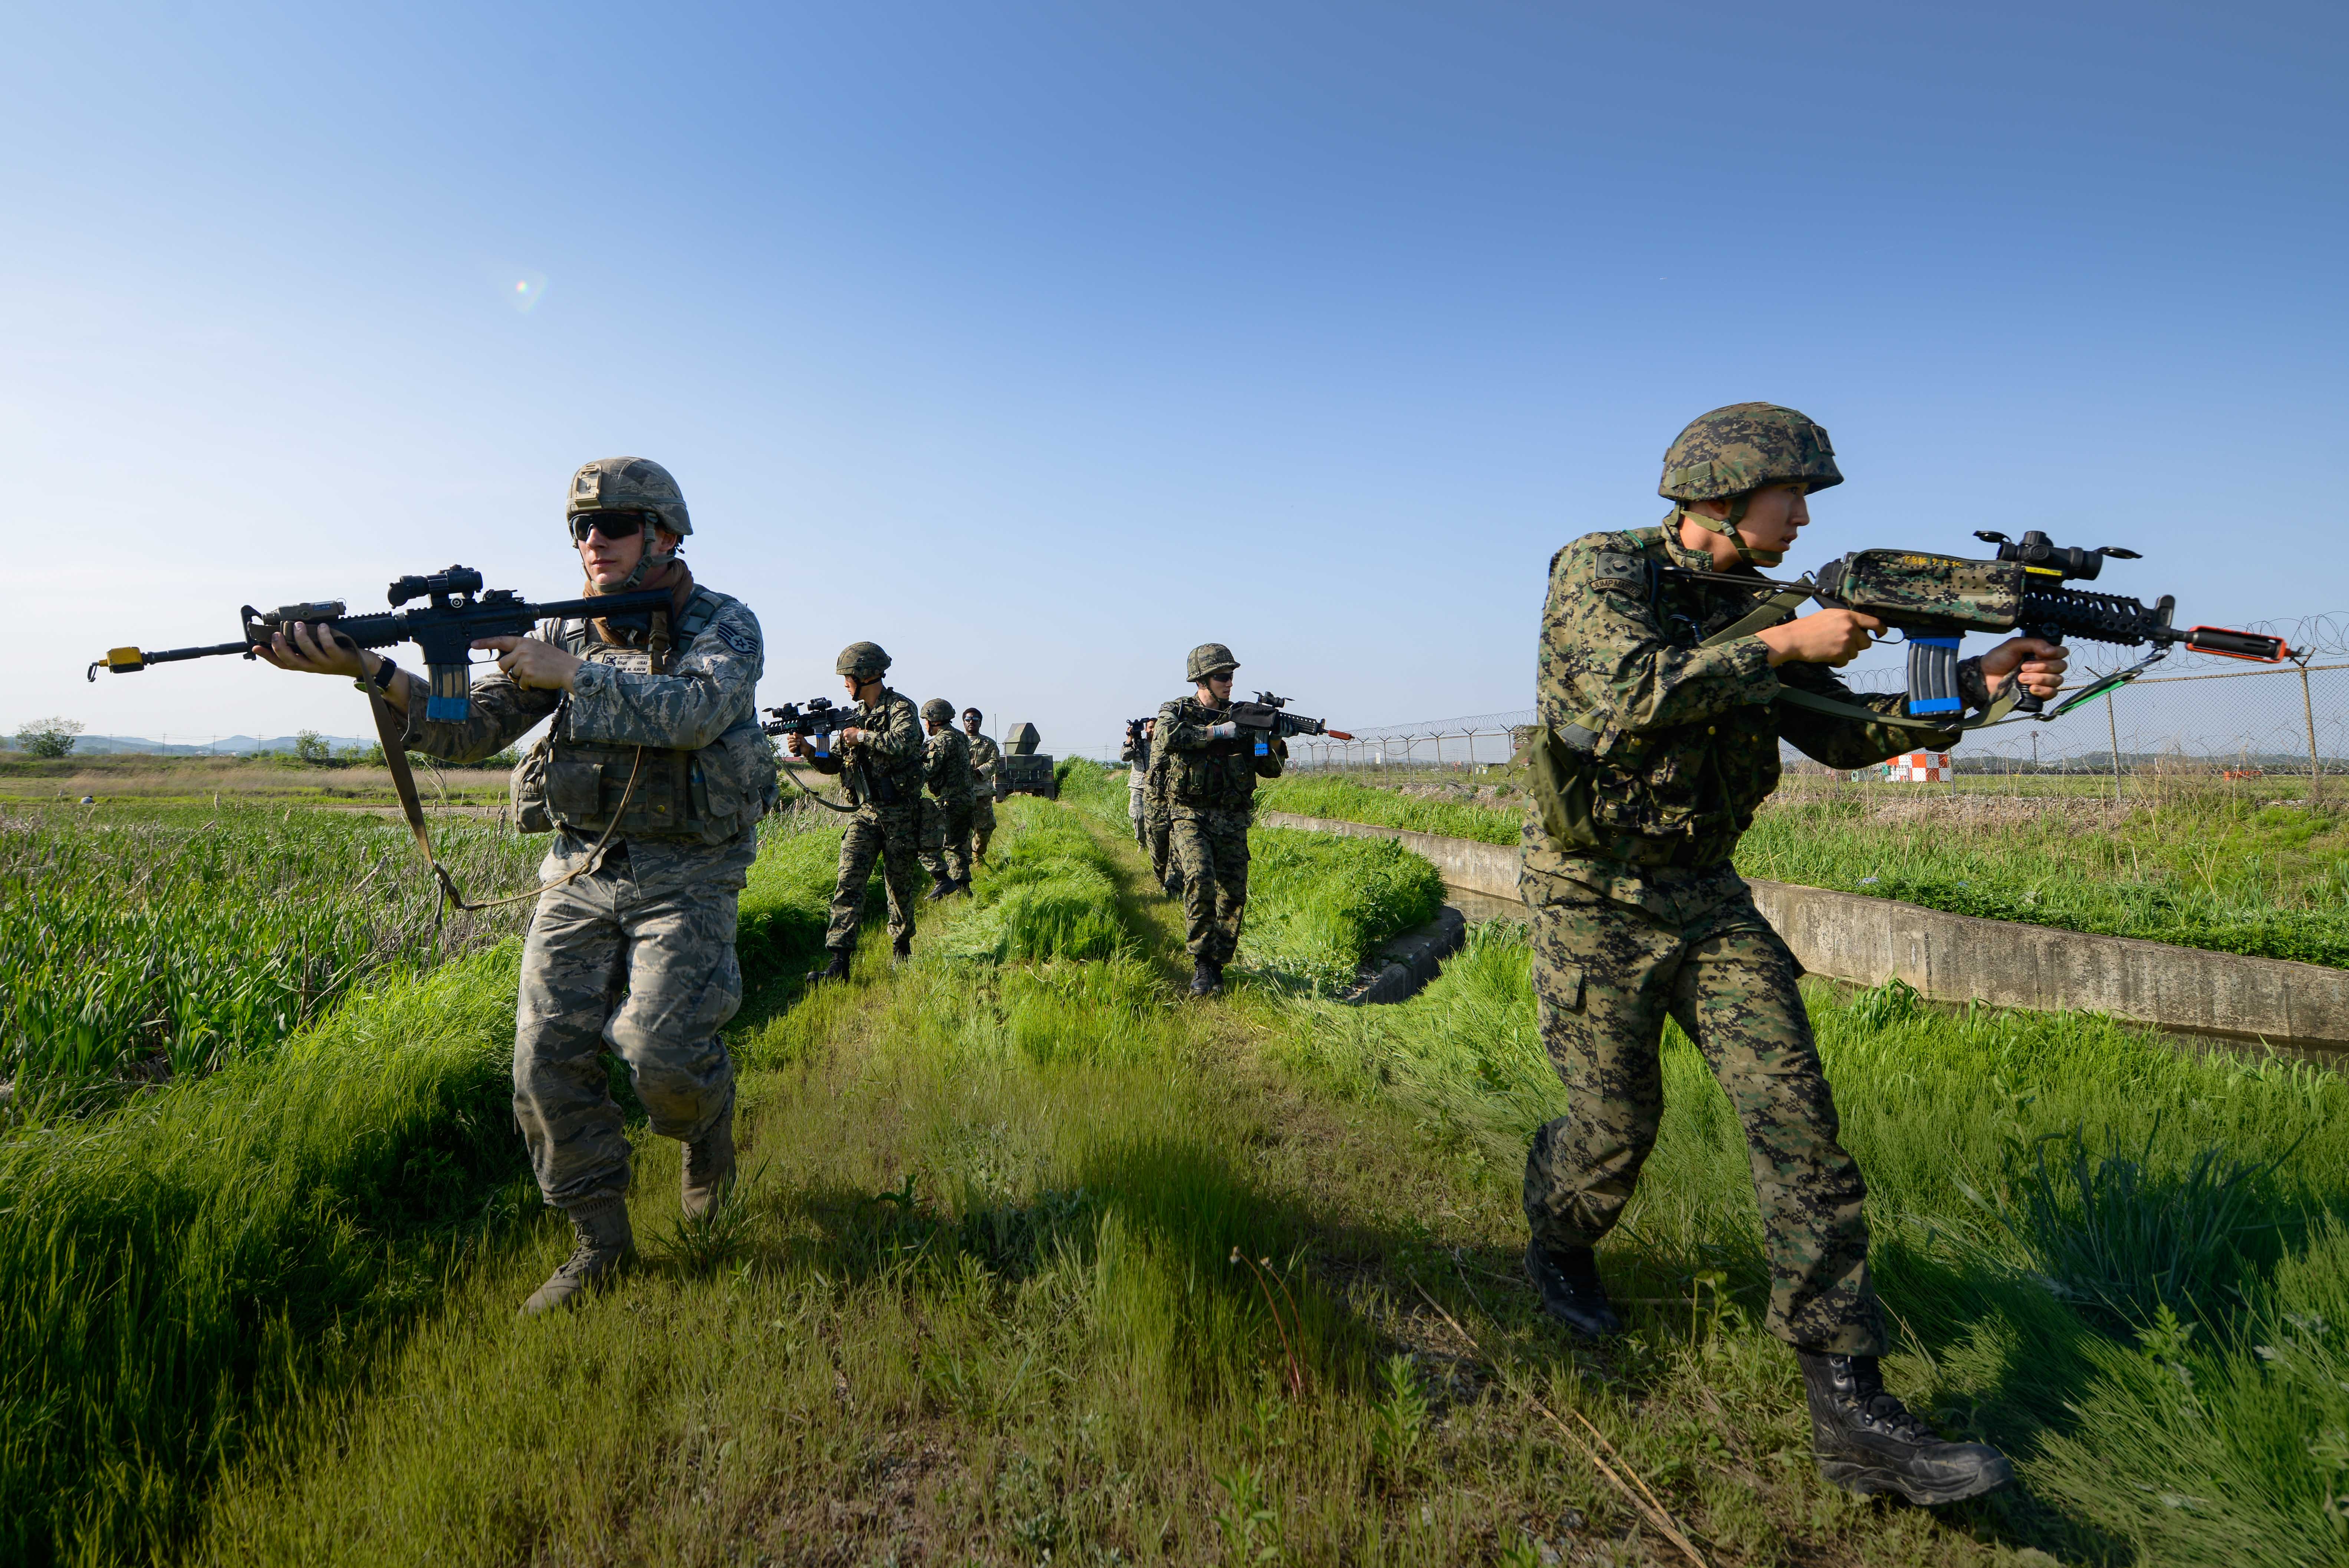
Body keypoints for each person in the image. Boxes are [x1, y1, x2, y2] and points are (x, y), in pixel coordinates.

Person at [1521, 402, 2069, 1505]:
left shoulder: (1772, 605)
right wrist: (1780, 642)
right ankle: (1556, 1234)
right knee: (1615, 1127)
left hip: (1706, 893)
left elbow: (1841, 732)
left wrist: (1976, 686)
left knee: (1797, 1124)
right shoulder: (1601, 568)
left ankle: (1850, 1409)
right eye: (1793, 493)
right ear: (1721, 493)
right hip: (1592, 892)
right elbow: (1623, 691)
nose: (1806, 514)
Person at [258, 456, 777, 1315]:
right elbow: (465, 731)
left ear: (664, 532)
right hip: (579, 870)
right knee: (544, 1058)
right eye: (580, 527)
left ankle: (704, 1128)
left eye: (612, 524)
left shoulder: (721, 624)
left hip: (689, 869)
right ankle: (598, 1241)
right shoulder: (560, 630)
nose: (591, 540)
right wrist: (380, 671)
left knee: (659, 1050)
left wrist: (566, 671)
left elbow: (693, 711)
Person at [1154, 643, 1284, 997]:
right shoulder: (1177, 710)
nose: (1229, 683)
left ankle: (1217, 963)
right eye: (1222, 676)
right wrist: (1216, 732)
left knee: (1233, 893)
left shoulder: (1245, 716)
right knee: (1199, 877)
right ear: (1201, 680)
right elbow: (1167, 736)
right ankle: (1200, 962)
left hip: (1232, 817)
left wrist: (1268, 737)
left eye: (1231, 676)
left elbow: (1268, 768)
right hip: (1189, 814)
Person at [790, 643, 925, 982]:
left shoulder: (900, 708)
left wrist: (862, 736)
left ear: (866, 675)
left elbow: (906, 742)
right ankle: (839, 965)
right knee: (848, 883)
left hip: (899, 813)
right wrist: (809, 749)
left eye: (848, 677)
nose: (845, 684)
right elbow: (832, 762)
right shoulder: (852, 717)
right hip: (864, 814)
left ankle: (902, 952)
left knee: (899, 885)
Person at [917, 698, 976, 898]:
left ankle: (942, 880)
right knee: (956, 847)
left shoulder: (942, 741)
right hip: (966, 799)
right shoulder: (960, 736)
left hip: (950, 801)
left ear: (934, 721)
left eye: (926, 720)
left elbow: (929, 771)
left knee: (925, 840)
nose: (925, 724)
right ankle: (964, 892)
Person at [962, 707, 1001, 865]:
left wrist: (980, 771)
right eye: (968, 719)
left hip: (981, 793)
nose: (972, 722)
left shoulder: (988, 743)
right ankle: (964, 860)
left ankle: (978, 854)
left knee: (985, 828)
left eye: (975, 719)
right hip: (960, 792)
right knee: (960, 829)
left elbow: (994, 762)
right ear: (964, 722)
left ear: (980, 723)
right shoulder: (957, 741)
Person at [1121, 717, 1155, 848]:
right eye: (1150, 728)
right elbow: (1125, 757)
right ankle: (1142, 844)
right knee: (1139, 817)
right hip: (1138, 786)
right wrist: (1130, 739)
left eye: (1154, 727)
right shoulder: (1137, 744)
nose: (1152, 731)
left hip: (1157, 787)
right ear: (1146, 729)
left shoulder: (1162, 745)